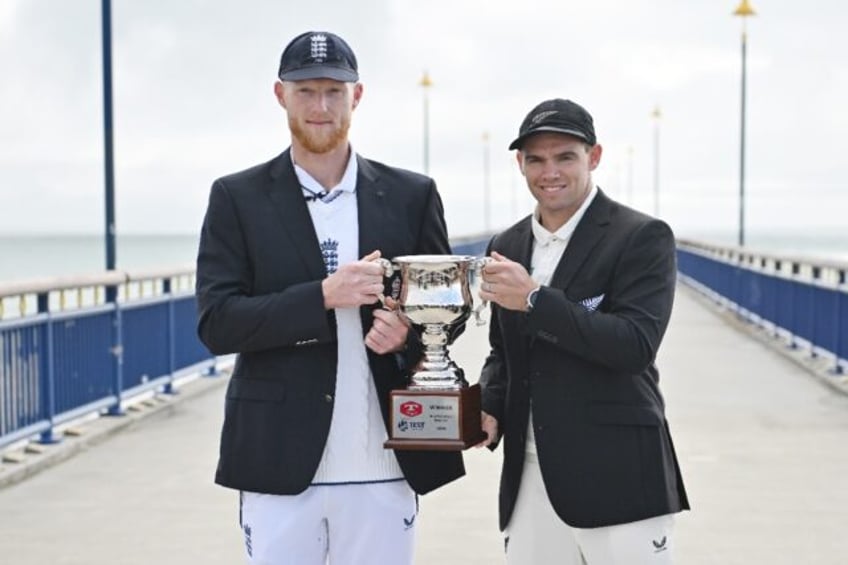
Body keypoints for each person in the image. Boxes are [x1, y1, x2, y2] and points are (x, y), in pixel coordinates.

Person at [195, 31, 464, 565]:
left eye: (334, 92)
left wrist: (409, 334)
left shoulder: (413, 195)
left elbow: (449, 310)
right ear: (281, 95)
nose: (321, 106)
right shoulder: (237, 197)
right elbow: (217, 323)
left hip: (386, 463)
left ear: (356, 96)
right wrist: (322, 295)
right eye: (306, 91)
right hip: (279, 464)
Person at [477, 98, 689, 565]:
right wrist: (490, 405)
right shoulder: (507, 244)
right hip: (529, 474)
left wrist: (535, 299)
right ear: (520, 164)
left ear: (593, 157)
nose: (549, 171)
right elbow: (502, 352)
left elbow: (634, 345)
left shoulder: (642, 237)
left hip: (620, 475)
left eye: (564, 156)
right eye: (536, 159)